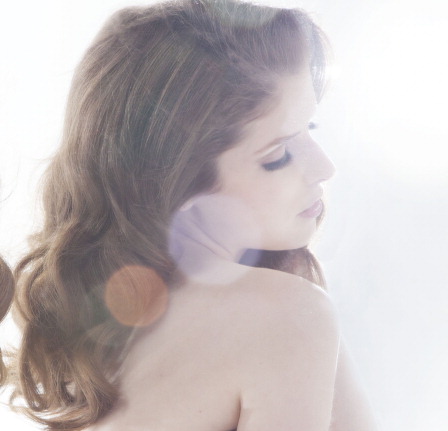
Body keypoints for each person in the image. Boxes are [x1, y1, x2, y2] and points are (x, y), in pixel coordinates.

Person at [3, 0, 376, 430]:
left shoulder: (96, 339)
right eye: (277, 155)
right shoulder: (285, 313)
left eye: (310, 128)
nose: (325, 167)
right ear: (180, 183)